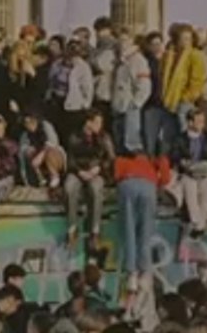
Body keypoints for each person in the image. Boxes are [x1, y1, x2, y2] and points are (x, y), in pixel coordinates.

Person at [113, 151, 171, 288]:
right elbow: (164, 165)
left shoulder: (121, 159)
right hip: (148, 185)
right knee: (146, 230)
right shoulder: (152, 158)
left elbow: (116, 175)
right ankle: (144, 272)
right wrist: (161, 182)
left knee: (129, 229)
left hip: (127, 184)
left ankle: (131, 274)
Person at [64, 109, 115, 250]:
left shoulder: (104, 137)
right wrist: (79, 171)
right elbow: (70, 159)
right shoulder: (75, 136)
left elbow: (110, 159)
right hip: (78, 171)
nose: (99, 125)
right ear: (88, 122)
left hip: (97, 171)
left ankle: (95, 231)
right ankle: (72, 228)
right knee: (69, 187)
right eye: (97, 122)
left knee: (96, 189)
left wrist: (98, 168)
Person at [168, 108, 207, 238]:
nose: (202, 124)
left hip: (204, 172)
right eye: (199, 121)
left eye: (203, 121)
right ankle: (197, 224)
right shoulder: (180, 138)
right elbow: (174, 156)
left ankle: (199, 224)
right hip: (187, 173)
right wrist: (184, 162)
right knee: (190, 190)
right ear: (190, 123)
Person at [160, 24, 206, 146]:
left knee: (184, 132)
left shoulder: (194, 55)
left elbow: (197, 80)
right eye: (183, 38)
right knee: (168, 134)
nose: (185, 41)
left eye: (188, 38)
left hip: (184, 101)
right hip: (168, 100)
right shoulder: (169, 55)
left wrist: (186, 97)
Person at [110, 28, 152, 155]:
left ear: (132, 41)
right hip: (118, 107)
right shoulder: (120, 60)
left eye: (125, 40)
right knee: (119, 142)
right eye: (120, 40)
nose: (122, 43)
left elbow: (144, 85)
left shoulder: (138, 60)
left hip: (130, 107)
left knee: (131, 143)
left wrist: (135, 104)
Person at [17, 108, 66, 190]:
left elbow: (53, 143)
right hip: (36, 162)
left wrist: (41, 155)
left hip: (54, 156)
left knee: (50, 152)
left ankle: (54, 176)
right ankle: (40, 179)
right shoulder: (25, 135)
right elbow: (22, 151)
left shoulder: (46, 127)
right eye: (26, 123)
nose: (29, 125)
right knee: (29, 152)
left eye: (32, 121)